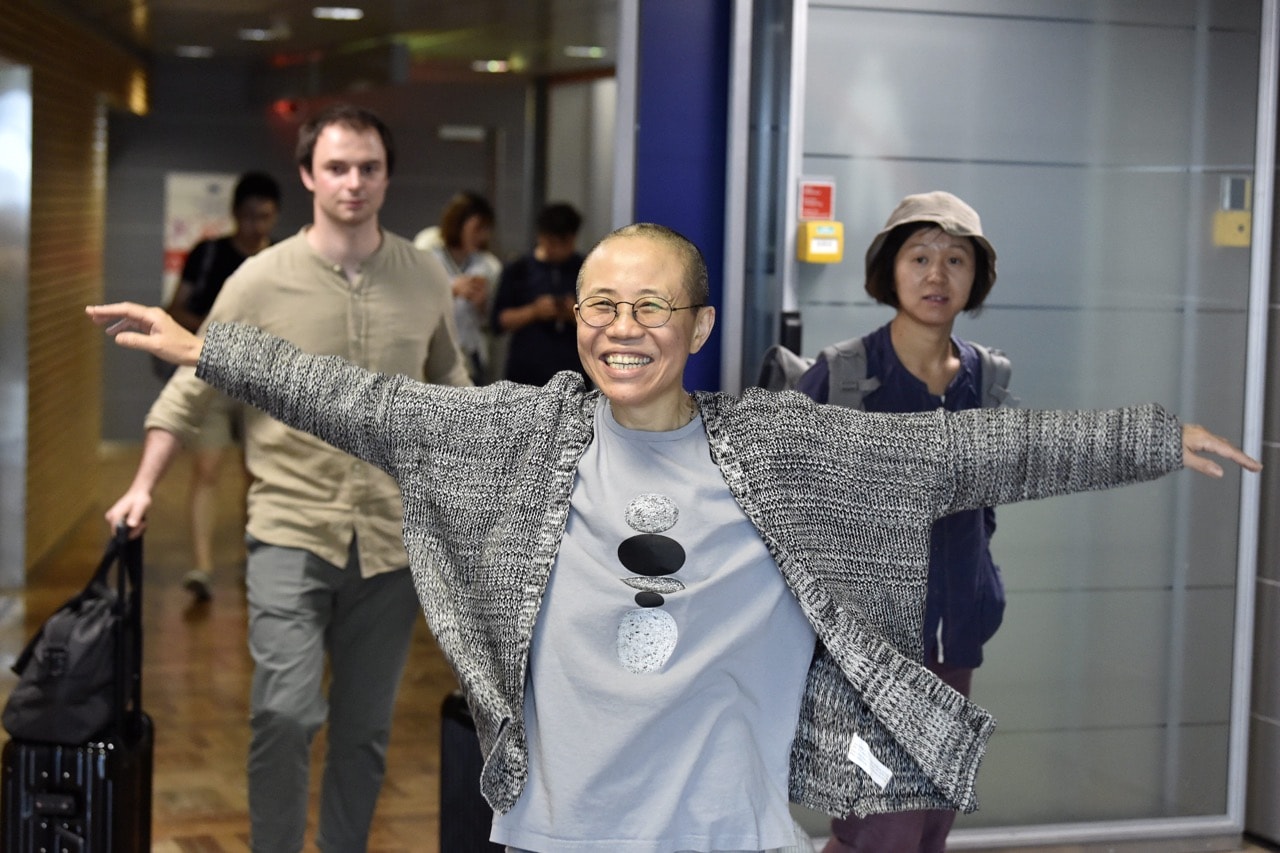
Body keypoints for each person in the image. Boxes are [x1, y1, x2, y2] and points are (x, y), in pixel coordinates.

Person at [88, 223, 1260, 853]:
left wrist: (1151, 437)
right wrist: (207, 348)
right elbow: (373, 405)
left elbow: (970, 453)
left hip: (727, 834)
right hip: (551, 830)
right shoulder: (520, 436)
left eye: (651, 305)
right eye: (600, 302)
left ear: (697, 325)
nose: (620, 326)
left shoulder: (783, 446)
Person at [100, 104, 471, 853]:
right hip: (289, 528)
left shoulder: (424, 275)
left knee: (365, 731)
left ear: (388, 175)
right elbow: (190, 386)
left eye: (369, 167)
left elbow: (449, 383)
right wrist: (142, 485)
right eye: (337, 167)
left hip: (394, 545)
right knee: (286, 711)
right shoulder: (258, 280)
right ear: (308, 174)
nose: (354, 182)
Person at [795, 190, 1008, 852]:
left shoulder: (988, 379)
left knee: (924, 827)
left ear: (976, 277)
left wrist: (980, 590)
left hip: (953, 641)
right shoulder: (845, 375)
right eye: (919, 257)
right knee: (887, 823)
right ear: (890, 269)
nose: (936, 275)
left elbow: (987, 509)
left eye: (955, 260)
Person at [164, 170, 282, 603]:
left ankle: (256, 557)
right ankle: (202, 567)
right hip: (212, 375)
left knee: (259, 474)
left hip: (263, 381)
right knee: (207, 469)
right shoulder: (209, 254)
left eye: (266, 217)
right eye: (251, 216)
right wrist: (220, 335)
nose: (257, 226)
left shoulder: (283, 261)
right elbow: (176, 309)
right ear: (235, 214)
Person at [490, 201, 586, 385]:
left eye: (563, 243)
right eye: (552, 243)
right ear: (541, 237)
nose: (557, 250)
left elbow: (601, 320)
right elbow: (498, 321)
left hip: (573, 373)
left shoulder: (586, 268)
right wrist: (534, 311)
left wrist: (573, 314)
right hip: (525, 375)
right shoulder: (518, 269)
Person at [414, 191, 503, 383]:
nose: (482, 236)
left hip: (470, 352)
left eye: (486, 230)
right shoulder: (427, 254)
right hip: (431, 351)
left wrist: (482, 304)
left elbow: (491, 322)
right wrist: (452, 290)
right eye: (477, 228)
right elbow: (413, 302)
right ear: (459, 224)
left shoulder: (489, 265)